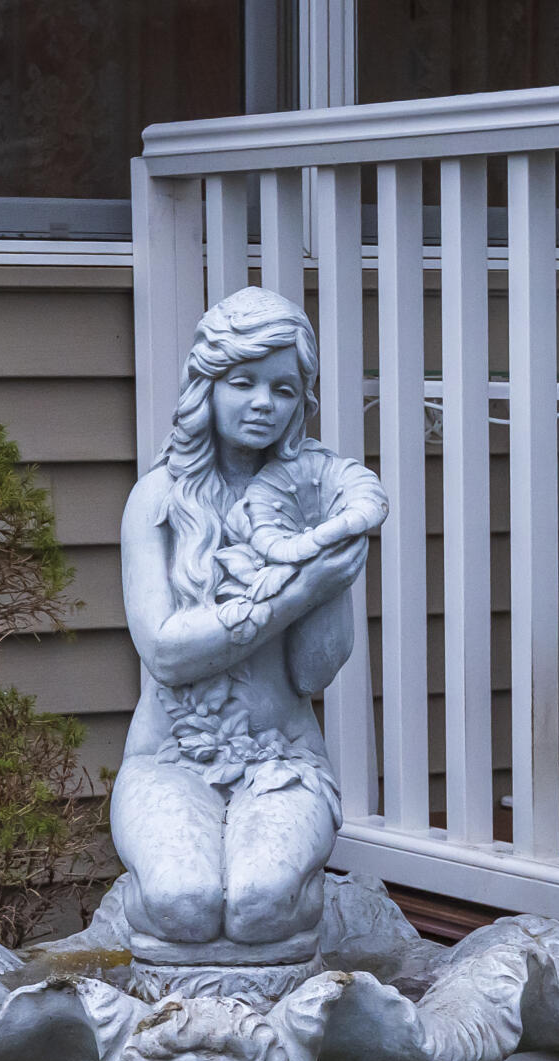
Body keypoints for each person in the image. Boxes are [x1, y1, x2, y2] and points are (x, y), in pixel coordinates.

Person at [115, 286, 384, 959]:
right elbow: (167, 654)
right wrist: (295, 595)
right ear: (207, 387)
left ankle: (307, 909)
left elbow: (313, 670)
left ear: (302, 403)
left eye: (284, 389)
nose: (264, 402)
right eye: (244, 382)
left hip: (283, 760)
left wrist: (327, 561)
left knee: (262, 905)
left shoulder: (315, 497)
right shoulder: (157, 500)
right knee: (183, 903)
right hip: (169, 760)